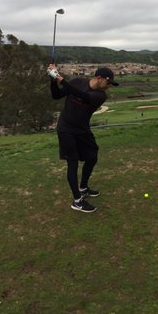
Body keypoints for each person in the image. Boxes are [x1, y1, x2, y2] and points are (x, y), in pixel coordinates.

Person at [47, 64, 119, 213]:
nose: (108, 86)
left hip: (82, 129)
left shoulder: (100, 95)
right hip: (66, 128)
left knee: (92, 156)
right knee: (72, 162)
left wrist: (60, 78)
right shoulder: (76, 82)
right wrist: (53, 79)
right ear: (98, 78)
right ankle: (77, 201)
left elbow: (83, 96)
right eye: (108, 82)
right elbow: (56, 95)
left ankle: (84, 188)